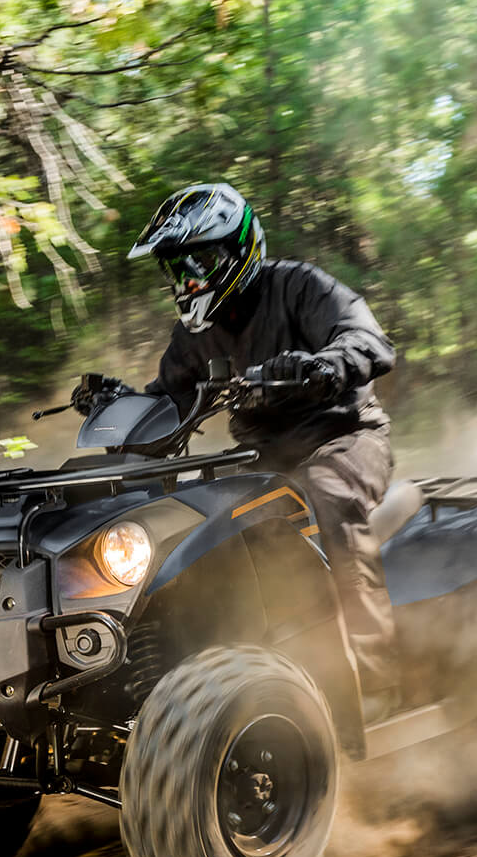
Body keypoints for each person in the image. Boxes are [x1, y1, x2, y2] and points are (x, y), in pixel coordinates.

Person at [75, 183, 401, 718]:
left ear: (241, 248)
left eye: (198, 263)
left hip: (344, 438)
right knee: (188, 519)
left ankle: (376, 674)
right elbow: (169, 403)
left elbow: (369, 339)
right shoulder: (194, 338)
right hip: (259, 461)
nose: (188, 280)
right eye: (177, 269)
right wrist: (118, 403)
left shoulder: (298, 286)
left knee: (327, 494)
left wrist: (323, 365)